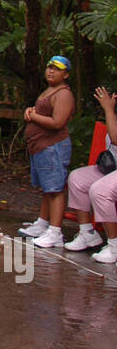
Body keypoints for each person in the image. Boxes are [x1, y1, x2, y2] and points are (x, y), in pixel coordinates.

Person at [18, 55, 76, 247]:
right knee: (47, 188)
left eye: (57, 69)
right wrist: (30, 111)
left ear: (66, 74)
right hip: (41, 145)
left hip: (54, 146)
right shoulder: (50, 90)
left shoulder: (64, 94)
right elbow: (42, 112)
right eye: (50, 67)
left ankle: (55, 232)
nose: (51, 71)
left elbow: (57, 122)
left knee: (55, 189)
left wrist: (33, 116)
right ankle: (43, 224)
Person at [60, 83, 117, 263]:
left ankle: (115, 246)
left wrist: (108, 109)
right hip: (112, 169)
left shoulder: (110, 112)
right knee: (77, 178)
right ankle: (88, 233)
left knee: (100, 190)